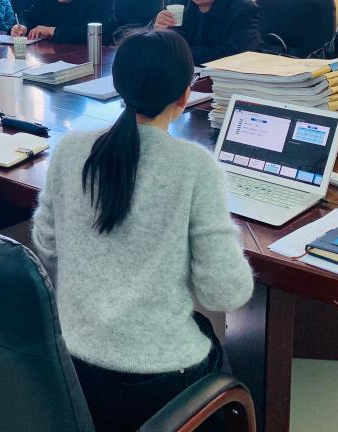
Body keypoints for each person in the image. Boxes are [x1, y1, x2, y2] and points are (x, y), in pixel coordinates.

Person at [32, 29, 253, 432]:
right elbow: (225, 293)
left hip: (73, 362)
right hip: (159, 381)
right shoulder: (194, 167)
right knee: (215, 348)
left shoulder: (71, 149)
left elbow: (46, 243)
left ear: (119, 86)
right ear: (184, 95)